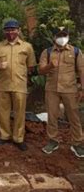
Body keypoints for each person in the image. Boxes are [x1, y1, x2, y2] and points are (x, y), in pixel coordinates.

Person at [0, 19, 36, 151]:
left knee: (20, 112)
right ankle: (4, 136)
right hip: (3, 85)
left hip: (19, 85)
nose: (10, 32)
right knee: (3, 112)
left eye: (13, 29)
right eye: (8, 30)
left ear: (18, 30)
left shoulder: (27, 47)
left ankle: (18, 138)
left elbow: (31, 66)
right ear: (4, 31)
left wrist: (23, 75)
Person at [38, 27, 84, 158]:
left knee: (74, 117)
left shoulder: (75, 51)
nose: (62, 38)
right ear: (54, 37)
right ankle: (53, 141)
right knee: (52, 116)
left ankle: (77, 143)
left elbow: (81, 70)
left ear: (68, 37)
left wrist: (82, 89)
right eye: (59, 35)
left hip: (70, 89)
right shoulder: (46, 52)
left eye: (64, 35)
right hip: (52, 89)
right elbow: (41, 71)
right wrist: (50, 66)